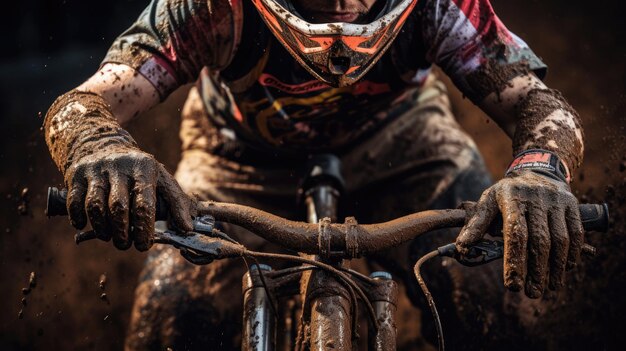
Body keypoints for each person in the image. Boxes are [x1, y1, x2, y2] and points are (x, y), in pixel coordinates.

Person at [43, 0, 585, 349]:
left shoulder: (440, 5)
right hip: (234, 159)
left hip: (408, 147)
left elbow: (534, 103)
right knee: (173, 325)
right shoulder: (212, 6)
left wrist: (538, 173)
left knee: (491, 314)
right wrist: (99, 144)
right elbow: (86, 102)